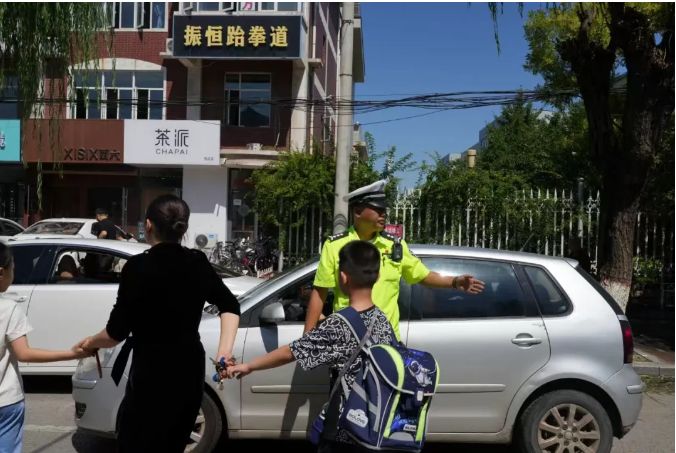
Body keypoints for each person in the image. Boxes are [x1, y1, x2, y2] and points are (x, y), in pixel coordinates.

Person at [77, 195, 241, 453]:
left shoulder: (137, 267)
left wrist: (90, 342)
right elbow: (230, 305)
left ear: (148, 225)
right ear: (184, 227)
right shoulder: (197, 262)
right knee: (173, 443)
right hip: (188, 367)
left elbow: (115, 333)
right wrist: (224, 352)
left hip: (152, 371)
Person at [226, 241, 398, 453]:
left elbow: (291, 352)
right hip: (375, 422)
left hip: (347, 427)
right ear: (378, 277)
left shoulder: (339, 324)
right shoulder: (381, 318)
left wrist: (249, 366)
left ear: (343, 277)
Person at [304, 180, 485, 338]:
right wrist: (308, 338)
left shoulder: (394, 245)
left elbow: (422, 275)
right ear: (358, 211)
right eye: (378, 209)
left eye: (384, 209)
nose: (383, 214)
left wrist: (454, 282)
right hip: (348, 340)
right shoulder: (335, 246)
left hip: (386, 341)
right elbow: (319, 292)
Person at [0, 243, 89, 453]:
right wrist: (71, 353)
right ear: (1, 272)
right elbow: (24, 353)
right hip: (5, 401)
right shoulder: (8, 308)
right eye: (13, 267)